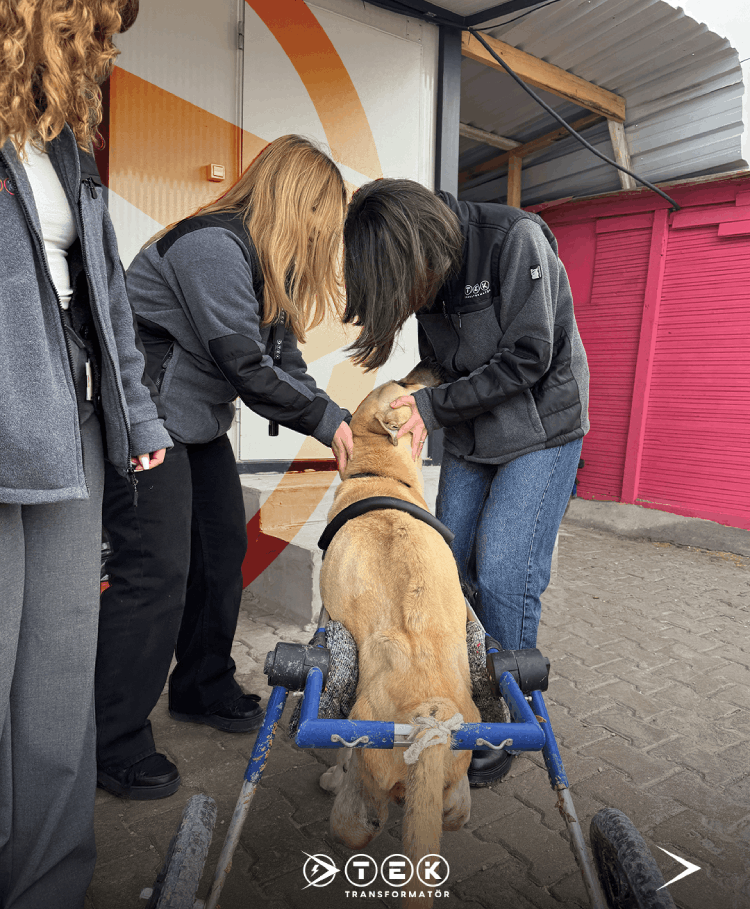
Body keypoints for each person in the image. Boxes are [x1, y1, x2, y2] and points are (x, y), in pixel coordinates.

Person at [95, 135, 354, 799]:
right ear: (295, 201)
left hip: (198, 424)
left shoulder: (264, 265)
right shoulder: (211, 245)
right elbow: (246, 367)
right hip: (149, 421)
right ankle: (111, 739)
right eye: (323, 216)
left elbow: (284, 364)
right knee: (154, 573)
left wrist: (338, 419)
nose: (324, 234)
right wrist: (328, 424)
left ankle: (201, 686)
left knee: (220, 555)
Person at [0, 2, 171, 909]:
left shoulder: (65, 136)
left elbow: (102, 285)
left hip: (69, 420)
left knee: (59, 679)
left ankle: (45, 902)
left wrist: (134, 408)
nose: (102, 47)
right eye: (91, 23)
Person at [342, 178, 589, 785]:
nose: (410, 300)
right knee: (446, 564)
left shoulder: (513, 240)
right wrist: (405, 395)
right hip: (475, 430)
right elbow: (442, 366)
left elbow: (530, 355)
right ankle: (453, 698)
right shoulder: (432, 273)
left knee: (503, 569)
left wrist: (431, 408)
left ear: (418, 246)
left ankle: (499, 723)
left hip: (540, 429)